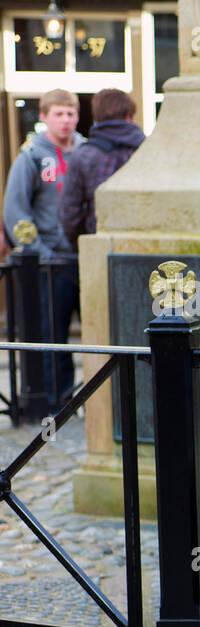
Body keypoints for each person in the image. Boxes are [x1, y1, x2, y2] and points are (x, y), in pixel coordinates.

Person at [4, 88, 85, 405]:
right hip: (51, 264)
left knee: (99, 339)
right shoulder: (31, 156)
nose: (65, 121)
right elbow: (16, 211)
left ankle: (91, 408)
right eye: (58, 114)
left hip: (83, 259)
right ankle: (56, 404)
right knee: (54, 338)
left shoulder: (86, 152)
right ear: (44, 117)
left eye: (70, 114)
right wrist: (40, 252)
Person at [58, 88, 145, 243]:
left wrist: (83, 245)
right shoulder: (148, 151)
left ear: (97, 117)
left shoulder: (83, 155)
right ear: (128, 116)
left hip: (99, 244)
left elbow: (70, 213)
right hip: (143, 245)